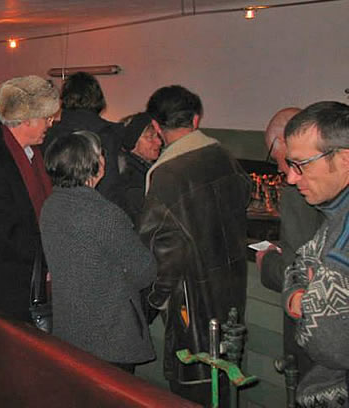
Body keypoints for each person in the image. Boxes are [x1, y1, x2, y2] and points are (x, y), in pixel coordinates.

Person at [138, 85, 250, 406]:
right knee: (225, 377)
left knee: (193, 384)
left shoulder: (165, 174)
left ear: (156, 126)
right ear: (196, 119)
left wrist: (150, 303)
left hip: (191, 300)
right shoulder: (225, 157)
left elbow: (160, 251)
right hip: (232, 285)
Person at [41, 131, 156, 372]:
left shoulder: (51, 205)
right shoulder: (104, 214)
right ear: (93, 164)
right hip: (110, 335)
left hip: (69, 329)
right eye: (100, 154)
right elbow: (144, 272)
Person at [0, 75, 59, 321]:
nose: (50, 123)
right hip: (9, 284)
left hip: (31, 276)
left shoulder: (33, 153)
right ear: (26, 119)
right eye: (46, 117)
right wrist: (46, 262)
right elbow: (2, 233)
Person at [281, 101, 349, 407]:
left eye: (301, 164)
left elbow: (326, 342)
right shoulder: (335, 213)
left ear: (345, 159)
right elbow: (298, 264)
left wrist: (300, 301)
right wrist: (304, 294)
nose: (291, 178)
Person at [256, 107, 324, 383]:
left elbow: (298, 274)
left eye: (277, 160)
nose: (284, 174)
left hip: (314, 341)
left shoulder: (298, 193)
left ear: (283, 141)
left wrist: (267, 262)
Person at [42, 72, 124, 205]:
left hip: (55, 207)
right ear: (97, 98)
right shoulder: (108, 135)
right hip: (99, 208)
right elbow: (110, 185)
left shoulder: (48, 135)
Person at [116, 112, 163, 225]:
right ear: (132, 142)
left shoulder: (147, 168)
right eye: (150, 137)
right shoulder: (131, 180)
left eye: (158, 136)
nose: (159, 142)